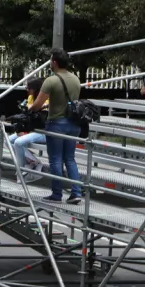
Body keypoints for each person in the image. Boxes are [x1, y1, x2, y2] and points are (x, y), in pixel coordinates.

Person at [39, 48, 84, 203]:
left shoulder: (51, 81)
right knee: (70, 158)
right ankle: (76, 192)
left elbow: (38, 103)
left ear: (55, 62)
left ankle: (57, 194)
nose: (50, 63)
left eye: (51, 60)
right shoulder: (76, 79)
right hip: (73, 123)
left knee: (56, 159)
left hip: (56, 123)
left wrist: (30, 110)